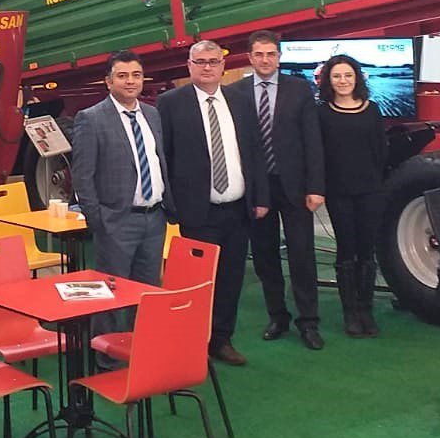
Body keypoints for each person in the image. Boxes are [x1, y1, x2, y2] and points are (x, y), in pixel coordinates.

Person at [158, 41, 269, 366]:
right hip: (197, 212)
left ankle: (221, 339)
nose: (207, 67)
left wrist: (261, 197)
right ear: (189, 66)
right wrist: (172, 205)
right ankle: (191, 344)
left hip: (237, 209)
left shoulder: (240, 100)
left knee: (231, 278)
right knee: (196, 282)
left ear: (222, 66)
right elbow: (164, 157)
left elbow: (255, 151)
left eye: (213, 61)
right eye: (200, 62)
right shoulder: (170, 103)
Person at [229, 30, 327, 350]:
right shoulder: (236, 92)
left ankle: (308, 321)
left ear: (279, 57)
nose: (265, 60)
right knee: (265, 256)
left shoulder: (299, 89)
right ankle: (278, 316)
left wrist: (316, 186)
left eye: (271, 54)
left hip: (295, 187)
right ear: (249, 57)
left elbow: (313, 140)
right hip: (258, 188)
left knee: (302, 255)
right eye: (259, 54)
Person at [68, 50, 175, 338]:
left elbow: (159, 160)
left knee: (147, 292)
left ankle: (142, 351)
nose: (130, 81)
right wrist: (99, 220)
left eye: (136, 75)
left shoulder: (152, 114)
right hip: (116, 221)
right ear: (108, 81)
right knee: (112, 296)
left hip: (154, 220)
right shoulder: (91, 119)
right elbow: (82, 176)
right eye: (123, 76)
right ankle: (107, 355)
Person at [316, 55, 390, 338]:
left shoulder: (373, 109)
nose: (343, 81)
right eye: (336, 76)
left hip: (370, 191)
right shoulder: (322, 113)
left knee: (367, 251)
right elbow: (319, 153)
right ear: (328, 80)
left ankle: (366, 310)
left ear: (357, 77)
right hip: (339, 193)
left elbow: (380, 150)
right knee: (346, 250)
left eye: (348, 75)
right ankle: (350, 313)